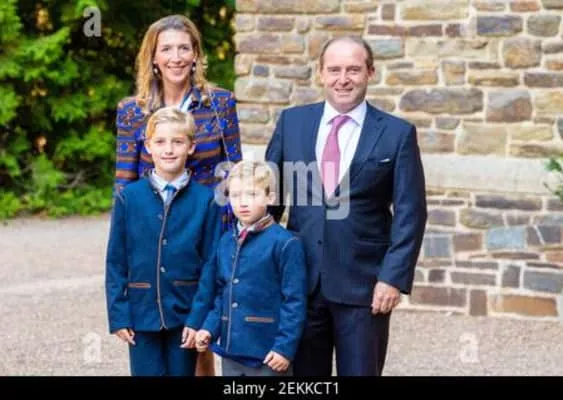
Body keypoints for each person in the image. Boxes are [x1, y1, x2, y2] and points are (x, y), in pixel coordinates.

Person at [265, 36, 428, 376]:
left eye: (353, 70)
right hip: (300, 283)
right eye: (334, 70)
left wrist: (392, 278)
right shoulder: (292, 123)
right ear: (321, 74)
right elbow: (269, 202)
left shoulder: (397, 134)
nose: (343, 79)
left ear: (370, 72)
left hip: (365, 287)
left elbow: (410, 213)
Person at [113, 14, 242, 375]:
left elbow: (232, 171)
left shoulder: (220, 103)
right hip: (155, 231)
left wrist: (228, 238)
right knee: (158, 328)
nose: (176, 57)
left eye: (184, 48)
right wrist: (124, 241)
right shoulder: (132, 111)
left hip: (205, 227)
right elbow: (124, 179)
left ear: (196, 54)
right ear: (153, 57)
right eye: (166, 49)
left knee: (201, 333)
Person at [105, 107, 221, 376]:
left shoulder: (206, 201)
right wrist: (119, 314)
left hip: (185, 314)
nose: (168, 149)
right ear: (148, 147)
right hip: (141, 313)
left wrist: (199, 317)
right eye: (160, 142)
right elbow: (115, 260)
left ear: (191, 146)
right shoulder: (128, 198)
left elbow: (211, 264)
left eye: (177, 142)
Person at [189, 160, 308, 377]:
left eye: (252, 195)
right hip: (231, 351)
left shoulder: (286, 243)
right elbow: (223, 294)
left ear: (270, 198)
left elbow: (294, 302)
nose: (243, 203)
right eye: (235, 195)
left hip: (269, 353)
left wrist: (284, 348)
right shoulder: (226, 241)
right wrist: (209, 328)